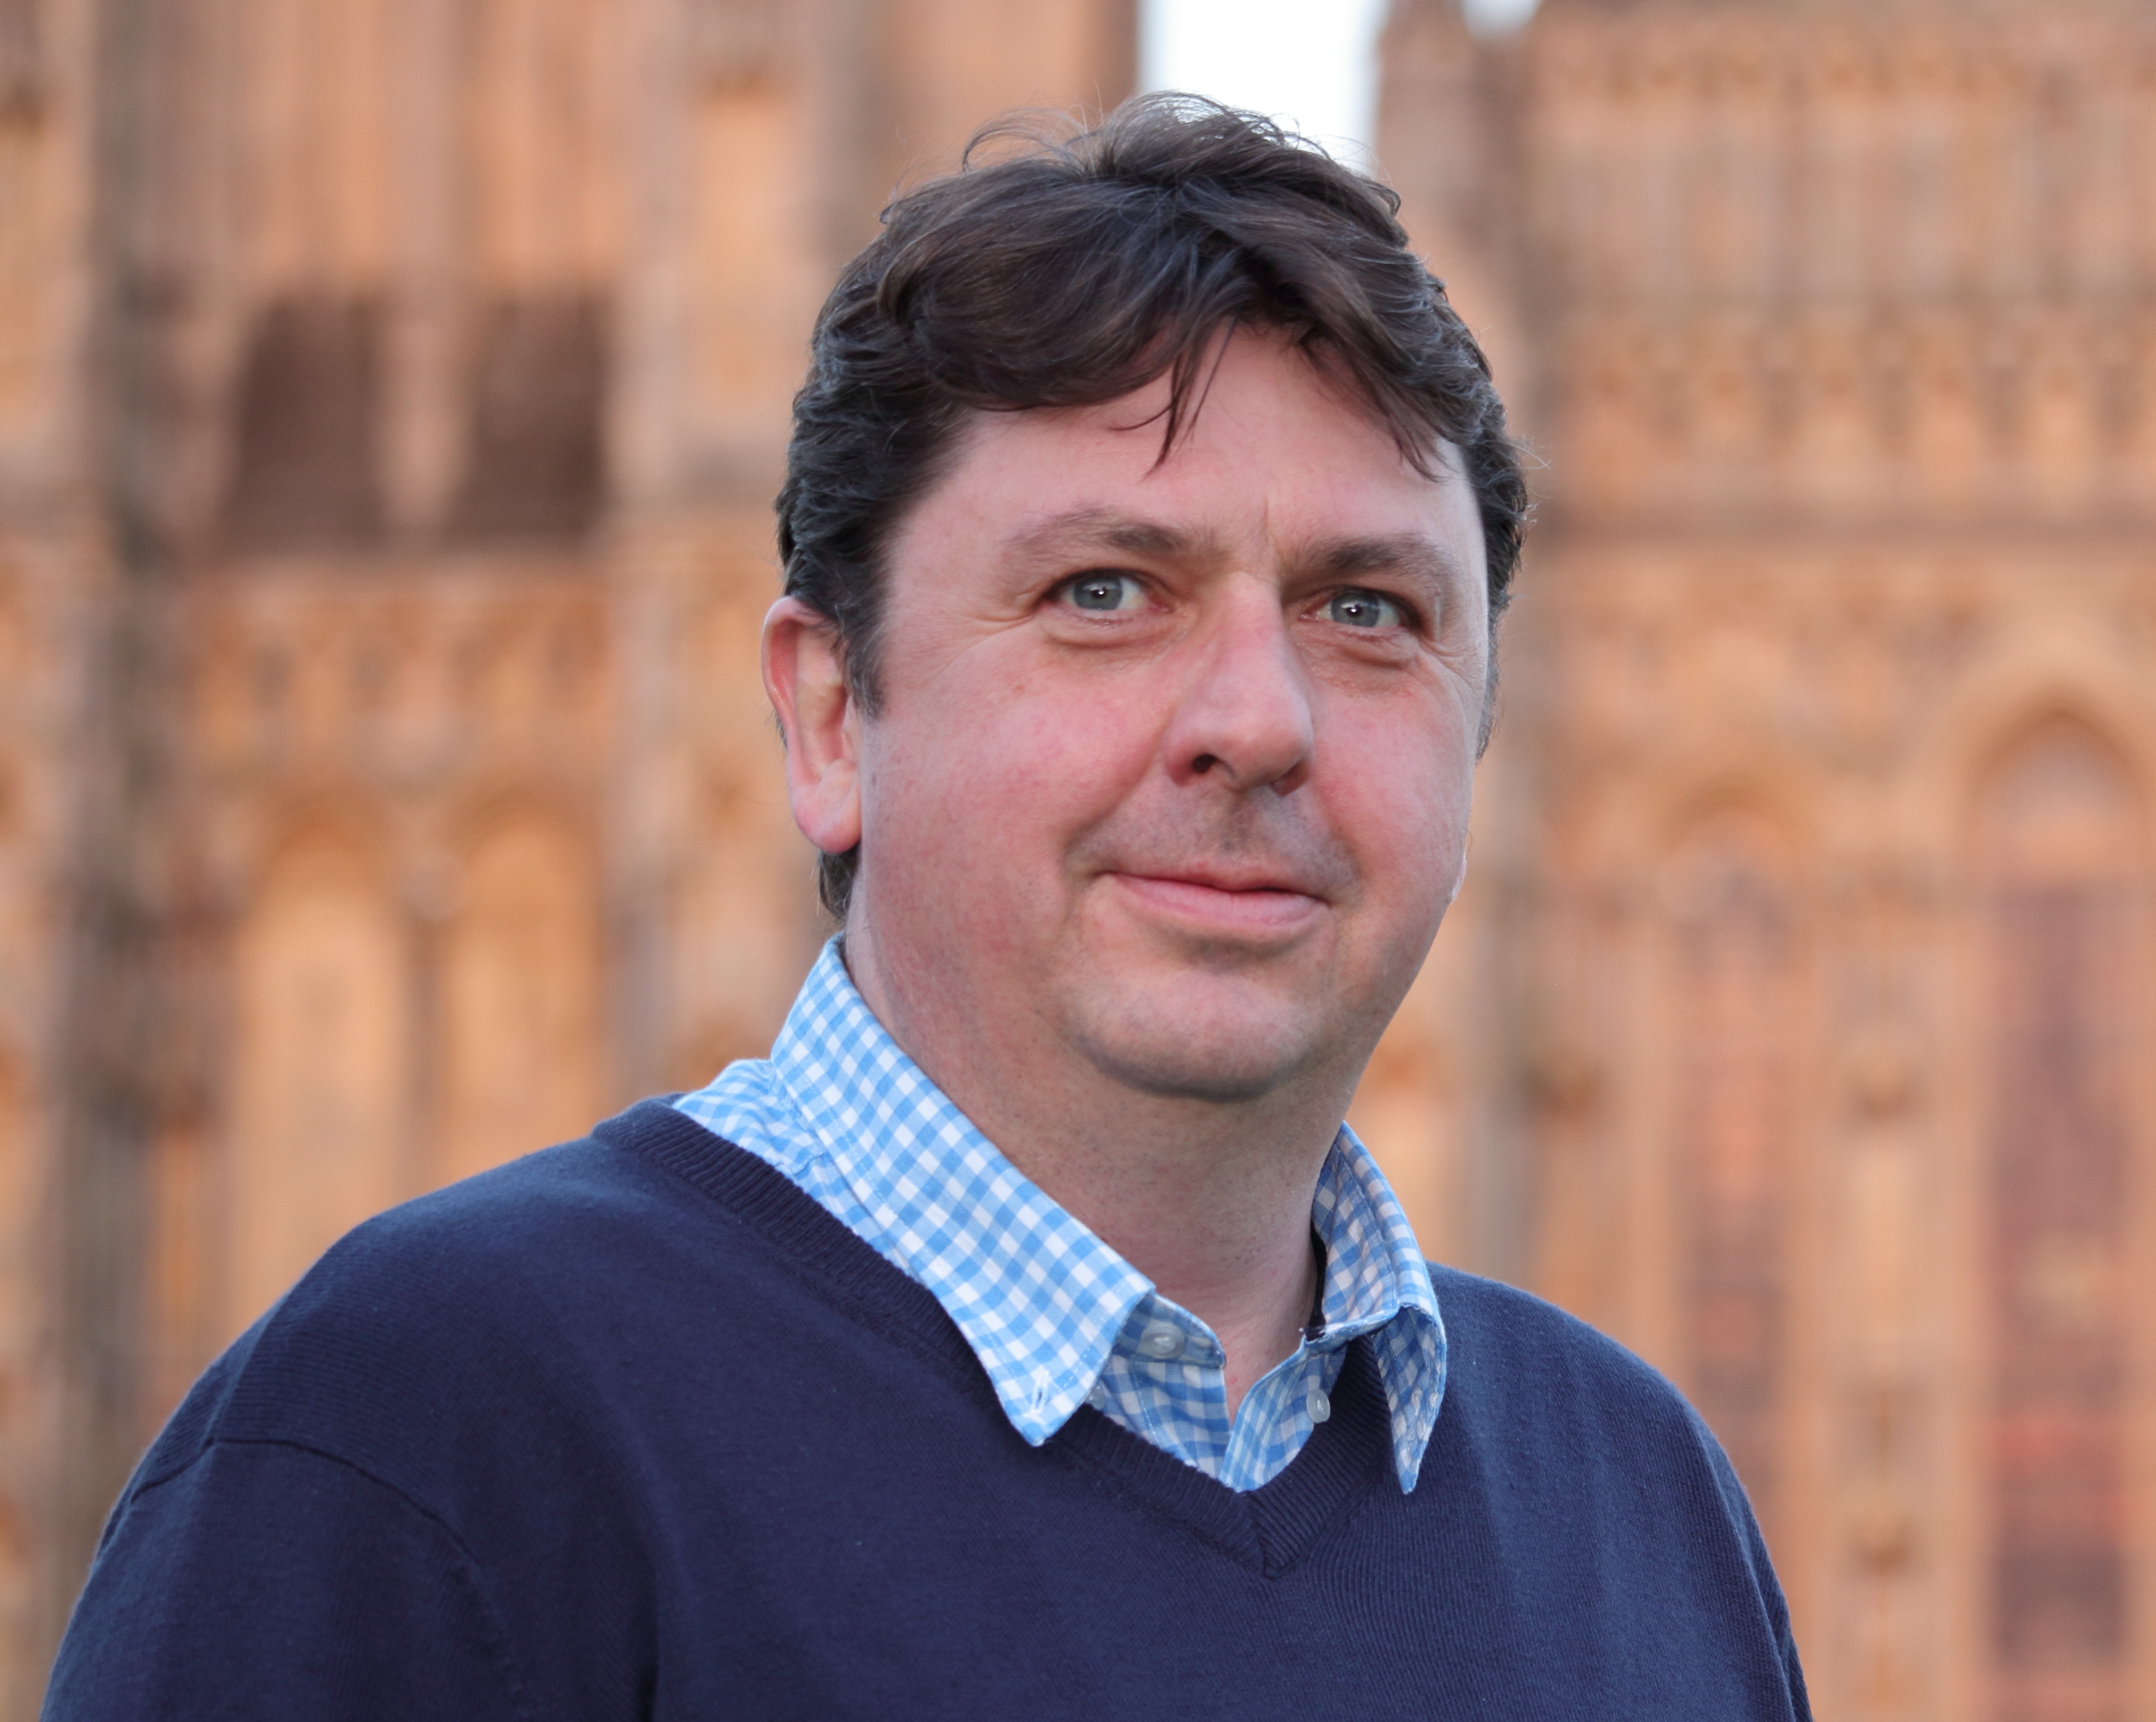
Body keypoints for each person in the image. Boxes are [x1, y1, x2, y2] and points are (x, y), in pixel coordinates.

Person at [46, 97, 1811, 1720]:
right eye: (1106, 589)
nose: (1257, 719)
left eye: (1368, 612)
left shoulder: (1636, 1509)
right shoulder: (425, 1443)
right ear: (830, 717)